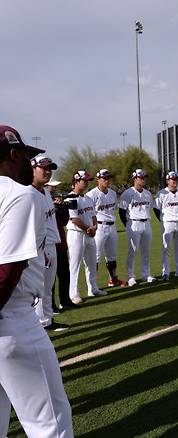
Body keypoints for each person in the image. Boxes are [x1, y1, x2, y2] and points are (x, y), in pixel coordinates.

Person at [0, 125, 73, 437]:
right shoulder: (20, 195)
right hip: (11, 318)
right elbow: (6, 273)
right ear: (13, 155)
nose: (28, 165)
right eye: (26, 157)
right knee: (50, 425)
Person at [30, 155, 68, 331]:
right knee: (39, 288)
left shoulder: (45, 192)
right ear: (32, 168)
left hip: (52, 245)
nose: (47, 171)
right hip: (39, 248)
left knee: (47, 287)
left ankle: (47, 320)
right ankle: (40, 323)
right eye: (43, 167)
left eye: (50, 168)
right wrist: (41, 250)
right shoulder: (28, 193)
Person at [66, 170, 105, 304]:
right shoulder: (70, 198)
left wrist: (94, 227)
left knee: (91, 263)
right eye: (84, 181)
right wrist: (87, 229)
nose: (87, 183)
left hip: (90, 234)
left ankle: (93, 288)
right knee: (75, 265)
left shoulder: (88, 198)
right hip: (76, 234)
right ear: (76, 181)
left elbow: (93, 215)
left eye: (88, 181)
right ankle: (73, 293)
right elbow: (74, 219)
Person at [86, 169, 125, 287]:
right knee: (96, 256)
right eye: (104, 178)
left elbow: (113, 210)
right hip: (99, 226)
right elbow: (88, 213)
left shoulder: (112, 193)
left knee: (112, 256)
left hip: (112, 226)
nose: (107, 180)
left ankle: (113, 279)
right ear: (98, 179)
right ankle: (92, 285)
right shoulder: (91, 194)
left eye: (109, 178)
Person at [119, 168, 157, 286]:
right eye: (141, 177)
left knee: (146, 251)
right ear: (135, 178)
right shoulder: (128, 193)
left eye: (144, 177)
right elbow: (121, 211)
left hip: (146, 223)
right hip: (133, 223)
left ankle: (146, 274)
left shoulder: (147, 193)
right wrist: (127, 225)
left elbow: (149, 207)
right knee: (133, 251)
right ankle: (131, 277)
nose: (143, 179)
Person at [47, 181, 79, 310]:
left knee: (64, 273)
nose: (54, 188)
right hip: (49, 243)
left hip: (60, 242)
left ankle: (65, 301)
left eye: (55, 186)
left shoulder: (57, 199)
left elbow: (64, 222)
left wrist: (63, 209)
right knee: (50, 279)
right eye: (52, 186)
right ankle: (51, 306)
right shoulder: (42, 200)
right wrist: (53, 208)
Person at [154, 171, 178, 281]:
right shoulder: (161, 193)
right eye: (172, 179)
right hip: (167, 224)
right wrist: (162, 219)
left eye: (176, 179)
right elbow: (156, 209)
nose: (174, 181)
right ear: (167, 181)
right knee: (166, 249)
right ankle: (165, 273)